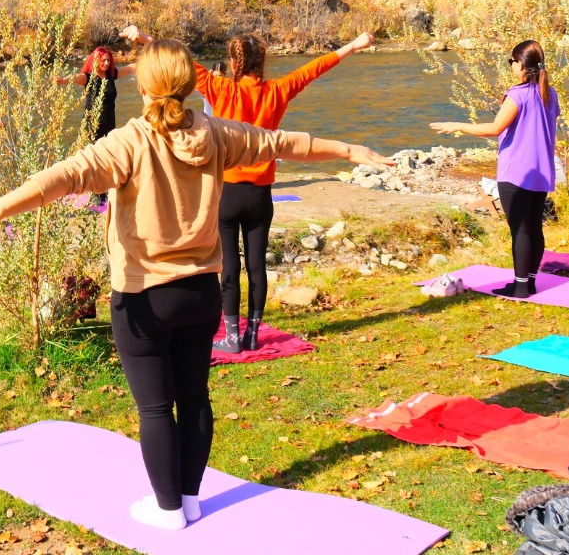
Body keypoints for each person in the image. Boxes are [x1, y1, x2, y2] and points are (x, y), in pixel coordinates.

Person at [0, 39, 390, 530]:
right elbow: (283, 143)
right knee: (195, 397)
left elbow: (64, 177)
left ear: (141, 86)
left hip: (143, 298)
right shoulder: (217, 134)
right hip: (201, 293)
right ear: (187, 84)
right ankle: (189, 499)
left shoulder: (130, 141)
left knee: (157, 408)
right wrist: (350, 150)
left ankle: (168, 511)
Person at [120, 25, 381, 354]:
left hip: (227, 192)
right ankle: (254, 333)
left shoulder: (219, 89)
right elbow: (316, 67)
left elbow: (181, 60)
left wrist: (146, 39)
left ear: (233, 61)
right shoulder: (278, 90)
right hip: (260, 195)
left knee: (229, 264)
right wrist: (354, 45)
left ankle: (231, 335)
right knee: (256, 264)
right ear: (262, 62)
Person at [431, 40, 560, 298]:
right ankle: (529, 282)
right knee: (534, 227)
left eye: (511, 62)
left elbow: (494, 128)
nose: (511, 66)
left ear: (521, 65)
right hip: (542, 170)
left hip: (517, 172)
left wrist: (457, 125)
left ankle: (521, 286)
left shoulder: (518, 94)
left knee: (520, 230)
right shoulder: (550, 92)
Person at [57, 46, 136, 143]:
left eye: (108, 60)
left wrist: (146, 64)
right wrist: (63, 80)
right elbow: (74, 77)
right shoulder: (89, 78)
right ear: (96, 61)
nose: (107, 63)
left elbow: (129, 68)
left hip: (109, 124)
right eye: (103, 60)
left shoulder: (111, 75)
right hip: (92, 125)